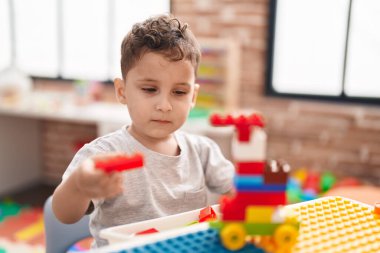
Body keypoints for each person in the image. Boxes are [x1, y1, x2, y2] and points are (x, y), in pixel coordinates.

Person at [52, 14, 234, 248]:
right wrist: (79, 185)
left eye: (179, 92)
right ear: (122, 91)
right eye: (150, 89)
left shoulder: (203, 151)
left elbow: (240, 189)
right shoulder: (104, 154)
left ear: (193, 97)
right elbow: (65, 214)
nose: (165, 105)